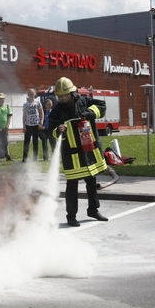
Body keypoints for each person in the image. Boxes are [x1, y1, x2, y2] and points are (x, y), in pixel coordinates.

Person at [49, 77, 108, 227]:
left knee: (91, 180)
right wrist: (58, 130)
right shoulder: (56, 111)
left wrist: (90, 113)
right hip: (72, 154)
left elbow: (101, 105)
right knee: (72, 186)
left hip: (89, 151)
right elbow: (50, 132)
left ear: (73, 92)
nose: (63, 98)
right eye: (60, 96)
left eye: (65, 95)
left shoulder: (83, 101)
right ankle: (71, 216)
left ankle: (93, 210)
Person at [22, 88, 43, 162]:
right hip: (28, 125)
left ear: (35, 94)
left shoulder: (37, 103)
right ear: (28, 95)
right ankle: (24, 158)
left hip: (36, 125)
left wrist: (41, 122)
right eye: (30, 94)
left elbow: (41, 113)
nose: (31, 95)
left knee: (35, 142)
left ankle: (35, 158)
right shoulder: (25, 104)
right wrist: (24, 126)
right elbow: (24, 115)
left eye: (32, 94)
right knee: (26, 142)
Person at [0, 93, 13, 161]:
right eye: (0, 98)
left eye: (2, 98)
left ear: (4, 99)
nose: (1, 99)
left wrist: (7, 126)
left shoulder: (7, 107)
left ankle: (8, 156)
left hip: (5, 127)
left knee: (6, 142)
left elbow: (9, 117)